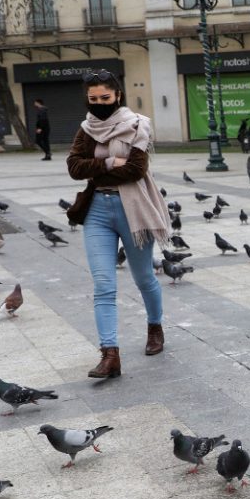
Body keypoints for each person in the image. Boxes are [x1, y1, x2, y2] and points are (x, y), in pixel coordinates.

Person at [66, 69, 168, 379]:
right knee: (103, 285)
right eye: (92, 99)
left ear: (118, 96)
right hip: (98, 210)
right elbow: (73, 167)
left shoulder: (138, 125)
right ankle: (110, 354)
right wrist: (110, 163)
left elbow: (136, 170)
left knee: (143, 277)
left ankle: (154, 326)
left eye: (104, 98)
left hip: (133, 210)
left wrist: (95, 170)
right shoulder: (86, 129)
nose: (98, 104)